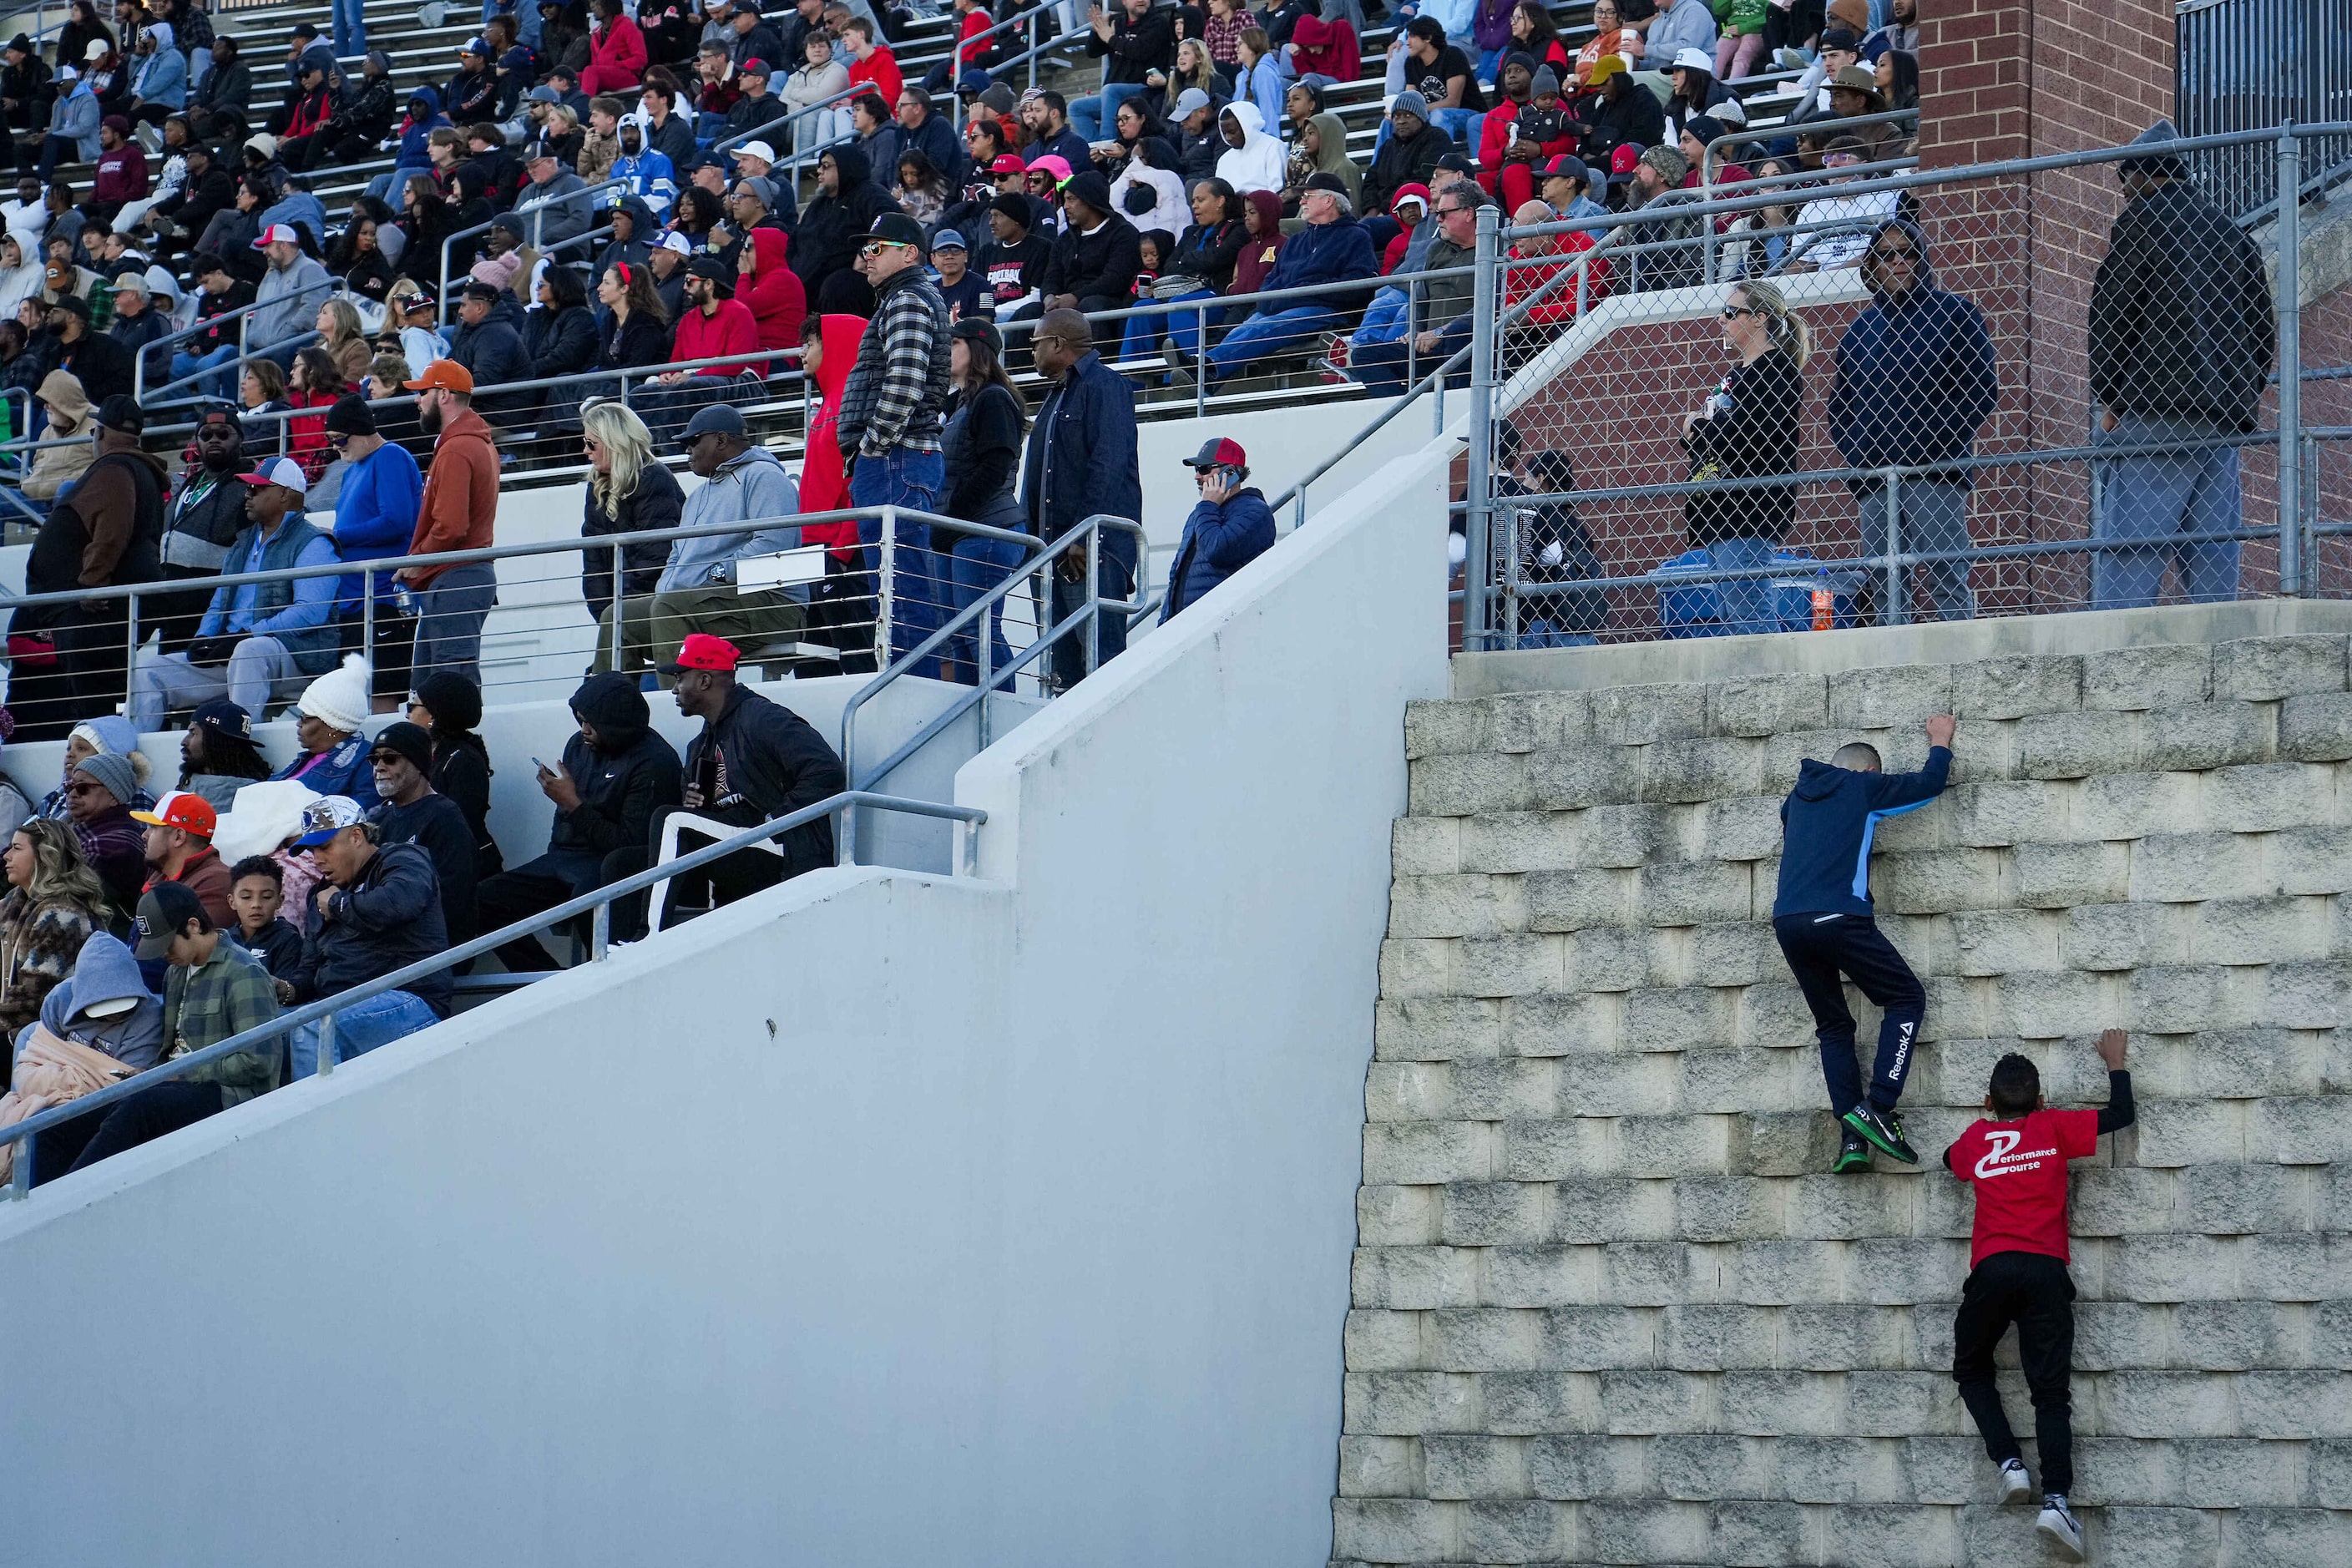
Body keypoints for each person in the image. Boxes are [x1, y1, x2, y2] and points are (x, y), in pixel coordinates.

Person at [1945, 1028, 2137, 1564]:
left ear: (1987, 1102)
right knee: (2049, 1393)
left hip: (1992, 1268)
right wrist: (2116, 1063)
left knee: (1970, 1366)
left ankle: (2009, 1464)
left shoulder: (1977, 1138)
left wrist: (1984, 1133)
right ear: (2042, 1100)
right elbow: (2119, 1115)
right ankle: (2055, 1501)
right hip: (2047, 1271)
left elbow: (1949, 1161)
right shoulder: (2054, 1127)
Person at [2088, 118, 2274, 611]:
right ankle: (2221, 666)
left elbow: (2112, 319)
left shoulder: (2139, 225)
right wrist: (2241, 395)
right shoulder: (2233, 237)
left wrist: (2112, 398)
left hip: (2155, 413)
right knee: (2213, 564)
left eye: (2124, 180)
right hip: (2221, 418)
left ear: (2141, 175)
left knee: (2130, 563)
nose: (2123, 192)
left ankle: (2114, 671)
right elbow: (2262, 334)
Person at [1772, 714, 1954, 1172]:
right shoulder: (1863, 789)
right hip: (1839, 916)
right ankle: (1880, 1106)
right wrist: (1940, 740)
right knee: (1906, 998)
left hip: (1788, 922)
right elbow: (1930, 784)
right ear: (1869, 772)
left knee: (1834, 1026)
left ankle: (1853, 1140)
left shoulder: (1794, 801)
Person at [604, 633, 846, 936]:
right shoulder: (700, 744)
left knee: (671, 819)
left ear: (705, 681)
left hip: (784, 851)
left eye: (680, 677)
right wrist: (695, 803)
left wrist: (776, 820)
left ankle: (648, 935)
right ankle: (616, 958)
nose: (675, 688)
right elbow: (718, 809)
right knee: (622, 864)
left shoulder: (762, 717)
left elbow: (827, 771)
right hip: (738, 850)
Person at [1827, 218, 1998, 625]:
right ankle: (1892, 666)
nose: (1899, 261)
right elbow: (1839, 408)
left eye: (1907, 252)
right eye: (1887, 255)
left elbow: (1981, 389)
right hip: (1874, 475)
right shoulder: (1859, 330)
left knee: (1946, 576)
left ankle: (1962, 665)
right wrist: (1861, 453)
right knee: (1886, 582)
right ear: (1873, 265)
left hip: (1935, 471)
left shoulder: (1957, 313)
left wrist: (1933, 443)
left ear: (1921, 258)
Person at [475, 672, 683, 970]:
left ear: (614, 724)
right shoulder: (579, 745)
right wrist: (566, 805)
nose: (584, 730)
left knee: (588, 898)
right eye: (580, 719)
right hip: (562, 858)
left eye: (591, 723)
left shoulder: (654, 762)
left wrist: (571, 803)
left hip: (609, 866)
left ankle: (598, 977)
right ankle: (547, 979)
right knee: (484, 899)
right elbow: (564, 821)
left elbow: (630, 847)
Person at [594, 402, 808, 675]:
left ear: (721, 440)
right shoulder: (696, 497)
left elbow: (772, 546)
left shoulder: (765, 476)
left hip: (773, 606)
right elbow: (677, 556)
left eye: (694, 441)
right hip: (708, 603)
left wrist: (717, 574)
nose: (687, 450)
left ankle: (682, 709)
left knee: (669, 607)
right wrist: (667, 592)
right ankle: (610, 715)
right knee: (616, 617)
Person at [129, 455, 339, 729]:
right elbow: (220, 603)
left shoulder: (314, 543)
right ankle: (135, 762)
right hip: (238, 654)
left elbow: (310, 612)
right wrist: (204, 639)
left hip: (296, 658)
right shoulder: (243, 543)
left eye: (257, 488)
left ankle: (235, 745)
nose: (247, 494)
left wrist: (249, 635)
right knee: (148, 671)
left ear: (285, 494)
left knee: (250, 651)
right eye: (248, 488)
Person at [837, 212, 953, 666]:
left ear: (909, 253)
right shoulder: (903, 298)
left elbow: (904, 381)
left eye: (875, 248)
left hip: (894, 457)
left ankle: (910, 682)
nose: (865, 259)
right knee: (896, 583)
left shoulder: (908, 299)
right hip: (897, 457)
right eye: (864, 250)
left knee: (898, 584)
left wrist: (873, 443)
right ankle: (907, 674)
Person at [284, 797, 451, 1078]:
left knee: (314, 1029)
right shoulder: (322, 893)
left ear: (357, 836)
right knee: (261, 1031)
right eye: (312, 850)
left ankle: (319, 1121)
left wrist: (339, 905)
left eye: (325, 847)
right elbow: (311, 966)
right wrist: (288, 989)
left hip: (411, 999)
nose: (317, 859)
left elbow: (400, 902)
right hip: (339, 1004)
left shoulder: (401, 859)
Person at [1679, 280, 1807, 635]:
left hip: (1750, 507)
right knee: (1735, 614)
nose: (1722, 319)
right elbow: (1715, 436)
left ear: (1758, 319)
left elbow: (1754, 438)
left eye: (1731, 313)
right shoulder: (1737, 375)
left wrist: (1701, 428)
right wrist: (1698, 430)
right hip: (1719, 505)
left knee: (1750, 612)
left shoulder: (1775, 371)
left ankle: (1780, 687)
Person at [1022, 309, 1140, 689]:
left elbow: (1108, 465)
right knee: (1067, 672)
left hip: (1092, 551)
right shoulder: (1058, 395)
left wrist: (1083, 535)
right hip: (1056, 552)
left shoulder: (1105, 386)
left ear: (1058, 343)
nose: (1032, 354)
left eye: (1035, 344)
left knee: (1102, 667)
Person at [28, 392, 163, 711]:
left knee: (91, 708)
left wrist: (91, 583)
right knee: (94, 704)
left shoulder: (115, 468)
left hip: (89, 615)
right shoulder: (137, 469)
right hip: (97, 611)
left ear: (100, 433)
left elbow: (112, 531)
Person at [1196, 174, 1373, 386]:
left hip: (1326, 310)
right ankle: (1204, 379)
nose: (1302, 201)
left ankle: (1202, 370)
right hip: (1283, 307)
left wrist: (1303, 294)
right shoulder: (1297, 240)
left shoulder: (1356, 236)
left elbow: (1359, 284)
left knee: (1262, 327)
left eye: (1308, 196)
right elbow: (1270, 284)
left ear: (1329, 200)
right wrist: (1279, 301)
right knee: (1243, 328)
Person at [397, 359, 501, 690]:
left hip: (455, 578)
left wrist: (417, 562)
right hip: (461, 576)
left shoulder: (457, 449)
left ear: (443, 396)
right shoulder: (476, 442)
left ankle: (457, 743)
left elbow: (452, 526)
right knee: (436, 686)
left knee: (449, 685)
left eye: (423, 393)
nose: (418, 400)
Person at [938, 316, 1028, 687]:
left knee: (977, 631)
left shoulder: (992, 398)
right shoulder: (959, 402)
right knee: (960, 637)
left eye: (953, 344)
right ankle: (977, 717)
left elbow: (995, 466)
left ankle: (1004, 716)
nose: (944, 351)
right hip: (960, 530)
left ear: (976, 351)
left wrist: (954, 514)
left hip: (984, 529)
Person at [1353, 181, 1475, 394]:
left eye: (1444, 213)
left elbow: (1492, 306)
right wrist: (1414, 331)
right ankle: (1404, 415)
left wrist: (1440, 332)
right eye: (1437, 213)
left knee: (1459, 334)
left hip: (1467, 346)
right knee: (1364, 356)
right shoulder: (1436, 250)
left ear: (1468, 213)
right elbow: (1419, 300)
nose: (1437, 220)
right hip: (1428, 347)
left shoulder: (1494, 249)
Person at [365, 721, 479, 945]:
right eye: (374, 760)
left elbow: (453, 898)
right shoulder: (377, 819)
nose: (379, 767)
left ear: (418, 764)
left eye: (390, 758)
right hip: (381, 939)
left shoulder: (445, 817)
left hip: (429, 946)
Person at [579, 398, 684, 630]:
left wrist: (623, 616)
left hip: (653, 606)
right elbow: (593, 560)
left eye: (591, 443)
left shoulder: (654, 478)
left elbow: (656, 558)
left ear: (614, 442)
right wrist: (606, 615)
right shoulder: (597, 484)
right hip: (620, 611)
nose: (585, 450)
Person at [0, 818, 109, 1035]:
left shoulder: (63, 916)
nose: (6, 856)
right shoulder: (15, 902)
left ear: (45, 856)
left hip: (45, 1033)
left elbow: (36, 1000)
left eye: (17, 848)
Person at [1161, 436, 1274, 622]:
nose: (1197, 476)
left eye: (1204, 469)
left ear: (1230, 473)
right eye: (1197, 469)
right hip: (1183, 626)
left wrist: (1208, 505)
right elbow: (1177, 574)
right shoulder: (1201, 512)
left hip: (1220, 627)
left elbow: (1217, 551)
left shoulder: (1255, 511)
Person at [406, 670, 501, 881]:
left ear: (432, 715)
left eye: (412, 706)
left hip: (462, 871)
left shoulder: (464, 761)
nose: (407, 714)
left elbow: (460, 826)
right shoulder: (423, 754)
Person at [269, 656, 382, 808]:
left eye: (305, 718)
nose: (298, 723)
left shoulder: (366, 760)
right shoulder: (305, 759)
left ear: (331, 725)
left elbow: (360, 811)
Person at [133, 787, 234, 927]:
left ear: (178, 837)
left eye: (154, 827)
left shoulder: (216, 882)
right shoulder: (160, 872)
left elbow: (193, 945)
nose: (145, 835)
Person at [63, 750, 148, 910]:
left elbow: (71, 900)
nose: (72, 794)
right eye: (69, 787)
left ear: (114, 797)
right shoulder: (72, 830)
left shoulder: (115, 847)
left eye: (83, 788)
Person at [225, 854, 304, 998]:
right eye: (246, 897)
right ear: (232, 902)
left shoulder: (287, 939)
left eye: (266, 897)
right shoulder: (225, 940)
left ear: (279, 901)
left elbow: (284, 992)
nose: (256, 904)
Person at [175, 698, 273, 812]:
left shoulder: (255, 796)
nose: (184, 741)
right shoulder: (187, 782)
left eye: (193, 733)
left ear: (215, 741)